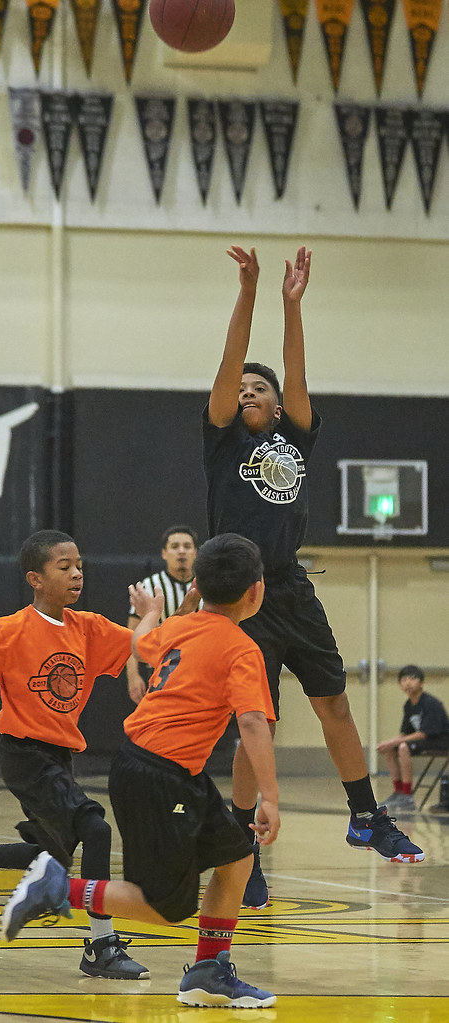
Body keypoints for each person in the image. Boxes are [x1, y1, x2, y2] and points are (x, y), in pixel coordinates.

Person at [202, 245, 423, 909]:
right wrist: (249, 293)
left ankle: (365, 814)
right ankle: (245, 846)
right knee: (255, 725)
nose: (247, 392)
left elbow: (296, 375)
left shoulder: (292, 438)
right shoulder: (221, 439)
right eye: (242, 388)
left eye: (258, 388)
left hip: (290, 588)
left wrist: (290, 305)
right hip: (241, 598)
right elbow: (228, 364)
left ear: (275, 406)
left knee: (334, 702)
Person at [0, 533, 280, 1009]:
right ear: (256, 591)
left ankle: (209, 971)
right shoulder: (242, 648)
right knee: (167, 907)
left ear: (199, 588)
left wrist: (153, 609)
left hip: (160, 767)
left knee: (236, 856)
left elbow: (145, 641)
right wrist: (268, 796)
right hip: (160, 775)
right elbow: (252, 721)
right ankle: (56, 888)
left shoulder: (179, 628)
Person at [0, 528, 163, 980]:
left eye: (80, 566)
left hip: (59, 758)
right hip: (24, 755)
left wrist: (154, 614)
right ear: (35, 579)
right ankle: (100, 945)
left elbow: (147, 647)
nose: (77, 574)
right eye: (65, 567)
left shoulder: (90, 628)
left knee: (54, 857)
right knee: (96, 830)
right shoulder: (11, 630)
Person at [125, 524, 200, 704]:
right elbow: (130, 634)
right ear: (164, 553)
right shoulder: (150, 585)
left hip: (201, 669)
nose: (181, 551)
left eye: (187, 546)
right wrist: (133, 676)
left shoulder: (208, 585)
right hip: (163, 672)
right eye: (175, 547)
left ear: (196, 552)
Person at [378, 664, 449, 812]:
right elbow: (405, 733)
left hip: (441, 741)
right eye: (403, 679)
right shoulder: (408, 705)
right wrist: (390, 743)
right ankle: (398, 792)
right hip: (424, 741)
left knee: (403, 747)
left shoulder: (430, 703)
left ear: (421, 683)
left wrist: (395, 742)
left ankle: (407, 796)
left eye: (412, 678)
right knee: (392, 749)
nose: (408, 683)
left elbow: (424, 733)